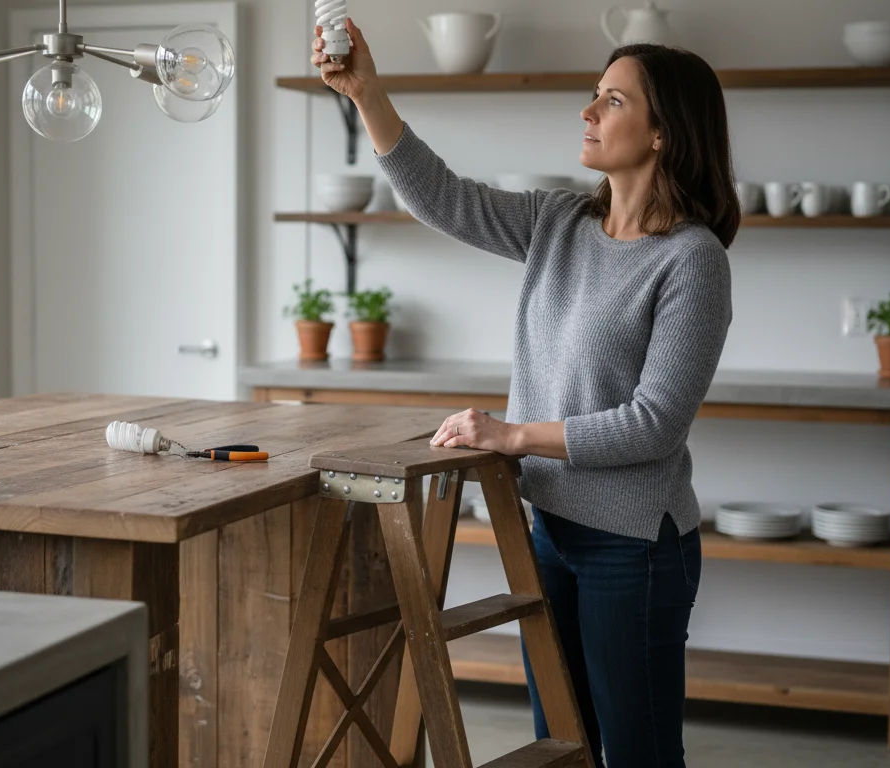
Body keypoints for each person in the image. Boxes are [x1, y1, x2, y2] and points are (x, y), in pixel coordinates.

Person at [312, 18, 738, 768]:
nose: (588, 112)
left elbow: (653, 425)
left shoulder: (691, 261)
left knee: (638, 755)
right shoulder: (559, 223)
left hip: (633, 547)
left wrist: (512, 436)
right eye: (593, 96)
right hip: (547, 529)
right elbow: (441, 198)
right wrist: (366, 93)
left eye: (611, 99)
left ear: (664, 130)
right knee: (561, 748)